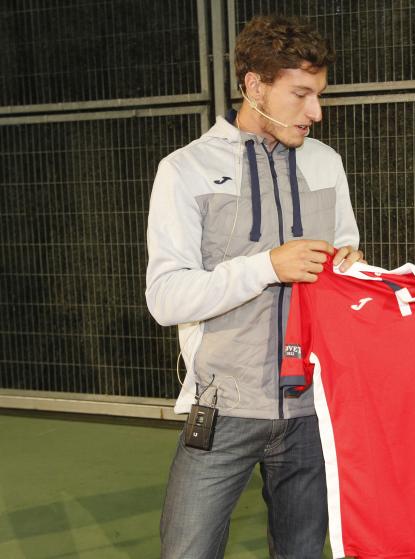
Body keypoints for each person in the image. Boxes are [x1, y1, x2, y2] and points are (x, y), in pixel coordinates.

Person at [145, 14, 362, 559]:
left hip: (311, 410)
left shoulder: (326, 163)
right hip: (222, 407)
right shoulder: (185, 169)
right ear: (253, 85)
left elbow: (344, 270)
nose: (316, 111)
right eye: (300, 94)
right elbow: (165, 297)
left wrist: (352, 270)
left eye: (319, 95)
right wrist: (268, 266)